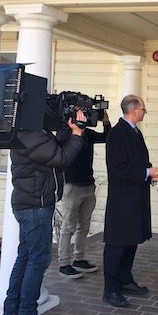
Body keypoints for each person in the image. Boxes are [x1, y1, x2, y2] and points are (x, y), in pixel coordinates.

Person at [2, 110, 86, 315]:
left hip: (29, 203)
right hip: (34, 206)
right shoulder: (30, 133)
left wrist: (68, 130)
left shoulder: (30, 131)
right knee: (38, 259)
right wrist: (77, 134)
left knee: (25, 257)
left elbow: (53, 148)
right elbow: (60, 158)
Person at [102, 94, 158, 307]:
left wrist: (151, 173)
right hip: (122, 200)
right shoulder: (117, 134)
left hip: (135, 197)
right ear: (133, 110)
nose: (144, 112)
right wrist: (147, 172)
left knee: (131, 241)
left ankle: (125, 280)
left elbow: (138, 163)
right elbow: (117, 169)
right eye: (143, 109)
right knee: (117, 244)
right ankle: (110, 289)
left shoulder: (135, 132)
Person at [58, 110, 111, 279]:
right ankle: (64, 263)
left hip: (88, 185)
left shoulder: (87, 133)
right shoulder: (64, 133)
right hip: (72, 186)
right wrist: (74, 128)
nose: (85, 119)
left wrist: (106, 122)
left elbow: (107, 138)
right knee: (68, 227)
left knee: (84, 225)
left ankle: (79, 259)